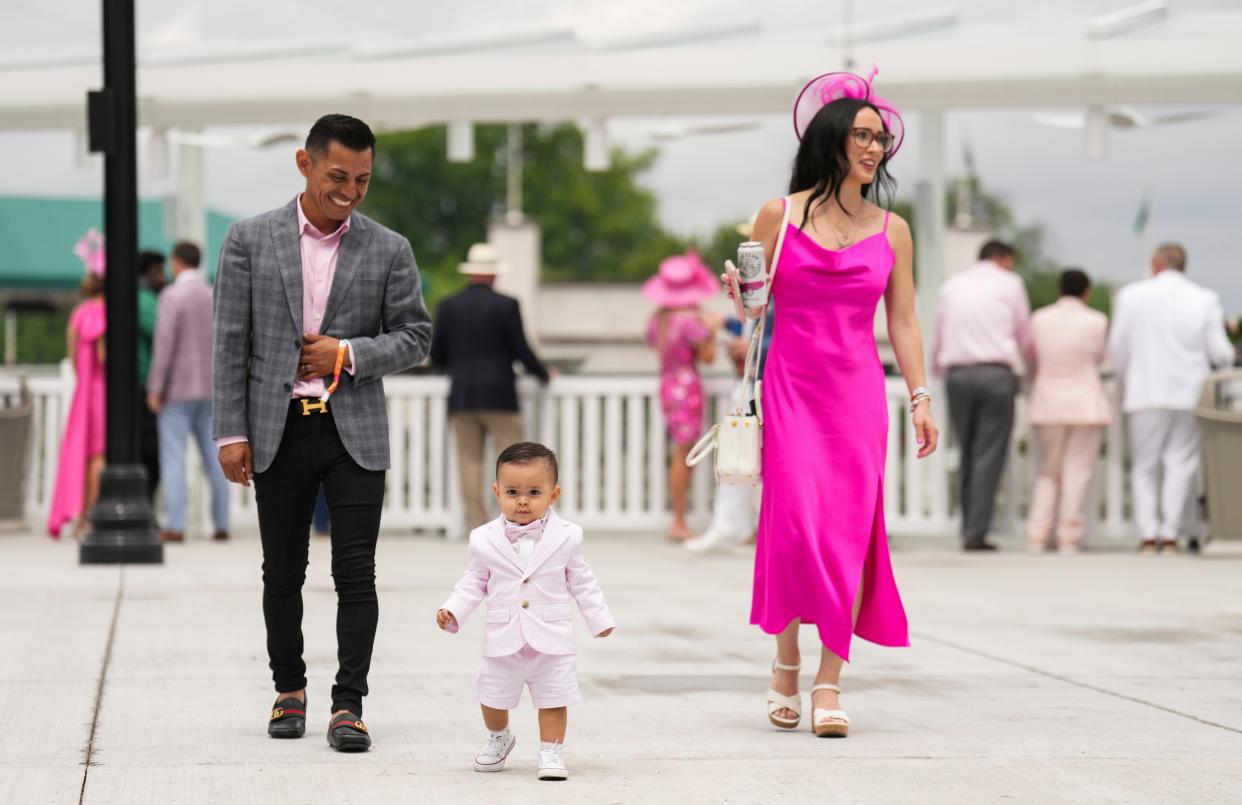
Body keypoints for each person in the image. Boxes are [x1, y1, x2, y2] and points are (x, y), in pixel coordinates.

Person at [727, 68, 939, 738]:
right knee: (793, 526)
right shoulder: (778, 213)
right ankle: (784, 661)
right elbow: (757, 309)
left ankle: (828, 679)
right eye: (861, 136)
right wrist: (743, 296)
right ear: (830, 141)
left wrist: (920, 396)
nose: (874, 148)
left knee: (848, 532)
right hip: (791, 386)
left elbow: (903, 320)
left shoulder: (895, 229)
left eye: (880, 137)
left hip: (856, 396)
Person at [212, 114, 432, 748]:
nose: (351, 191)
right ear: (304, 164)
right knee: (281, 571)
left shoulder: (390, 248)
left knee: (356, 573)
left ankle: (349, 703)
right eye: (339, 176)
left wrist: (348, 354)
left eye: (362, 179)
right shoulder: (249, 239)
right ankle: (289, 691)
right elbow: (229, 343)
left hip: (353, 429)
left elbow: (416, 337)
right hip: (275, 426)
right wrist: (231, 430)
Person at [436, 442, 614, 781]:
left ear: (554, 493)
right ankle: (499, 737)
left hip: (552, 635)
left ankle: (551, 750)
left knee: (553, 697)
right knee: (491, 695)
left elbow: (582, 581)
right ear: (497, 491)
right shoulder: (483, 538)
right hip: (504, 633)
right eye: (512, 492)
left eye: (534, 492)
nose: (522, 500)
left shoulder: (568, 537)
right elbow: (473, 581)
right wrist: (453, 610)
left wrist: (599, 618)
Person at [1108, 244, 1235, 553]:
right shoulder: (1204, 298)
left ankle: (1148, 533)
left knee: (1144, 466)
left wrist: (1124, 381)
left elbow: (1117, 349)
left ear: (1155, 263)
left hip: (1144, 390)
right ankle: (1170, 533)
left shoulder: (1131, 296)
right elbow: (1220, 353)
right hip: (1189, 391)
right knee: (1181, 463)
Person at [430, 243, 551, 532]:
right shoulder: (506, 305)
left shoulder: (448, 306)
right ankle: (515, 523)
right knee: (514, 461)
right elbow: (521, 350)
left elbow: (438, 355)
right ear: (494, 275)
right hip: (500, 395)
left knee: (469, 463)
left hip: (462, 395)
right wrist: (543, 374)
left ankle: (477, 526)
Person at [933, 240, 1033, 551]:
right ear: (1003, 259)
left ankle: (968, 526)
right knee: (988, 455)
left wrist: (937, 373)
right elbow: (1023, 333)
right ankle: (976, 531)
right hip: (996, 374)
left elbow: (938, 333)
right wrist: (1029, 372)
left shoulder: (951, 286)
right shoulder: (1011, 283)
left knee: (966, 452)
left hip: (958, 375)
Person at [147, 241, 230, 543]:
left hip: (177, 390)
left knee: (174, 457)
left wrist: (156, 387)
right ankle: (222, 523)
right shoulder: (213, 294)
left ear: (176, 262)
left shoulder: (171, 295)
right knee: (216, 458)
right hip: (211, 389)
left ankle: (175, 525)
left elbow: (165, 345)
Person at [1025, 269, 1111, 553]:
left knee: (1047, 472)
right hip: (1086, 401)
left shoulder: (1039, 319)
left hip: (1048, 401)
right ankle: (1068, 537)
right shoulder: (1097, 321)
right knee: (1078, 471)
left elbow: (1030, 357)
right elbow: (1100, 357)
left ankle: (1038, 534)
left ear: (1060, 289)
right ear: (1087, 292)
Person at [643, 252, 720, 542]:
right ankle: (678, 520)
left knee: (678, 451)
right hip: (687, 386)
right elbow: (709, 358)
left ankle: (677, 518)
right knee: (684, 454)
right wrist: (710, 331)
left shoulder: (659, 320)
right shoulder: (690, 322)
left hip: (667, 384)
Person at [47, 230, 108, 538]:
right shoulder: (107, 313)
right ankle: (92, 514)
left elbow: (72, 357)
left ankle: (78, 514)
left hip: (82, 390)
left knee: (78, 453)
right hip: (101, 391)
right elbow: (104, 355)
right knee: (99, 455)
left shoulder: (79, 313)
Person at [137, 250, 167, 503]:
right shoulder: (145, 301)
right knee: (151, 452)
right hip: (144, 387)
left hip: (143, 385)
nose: (163, 276)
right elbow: (163, 334)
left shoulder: (144, 298)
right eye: (158, 271)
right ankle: (146, 506)